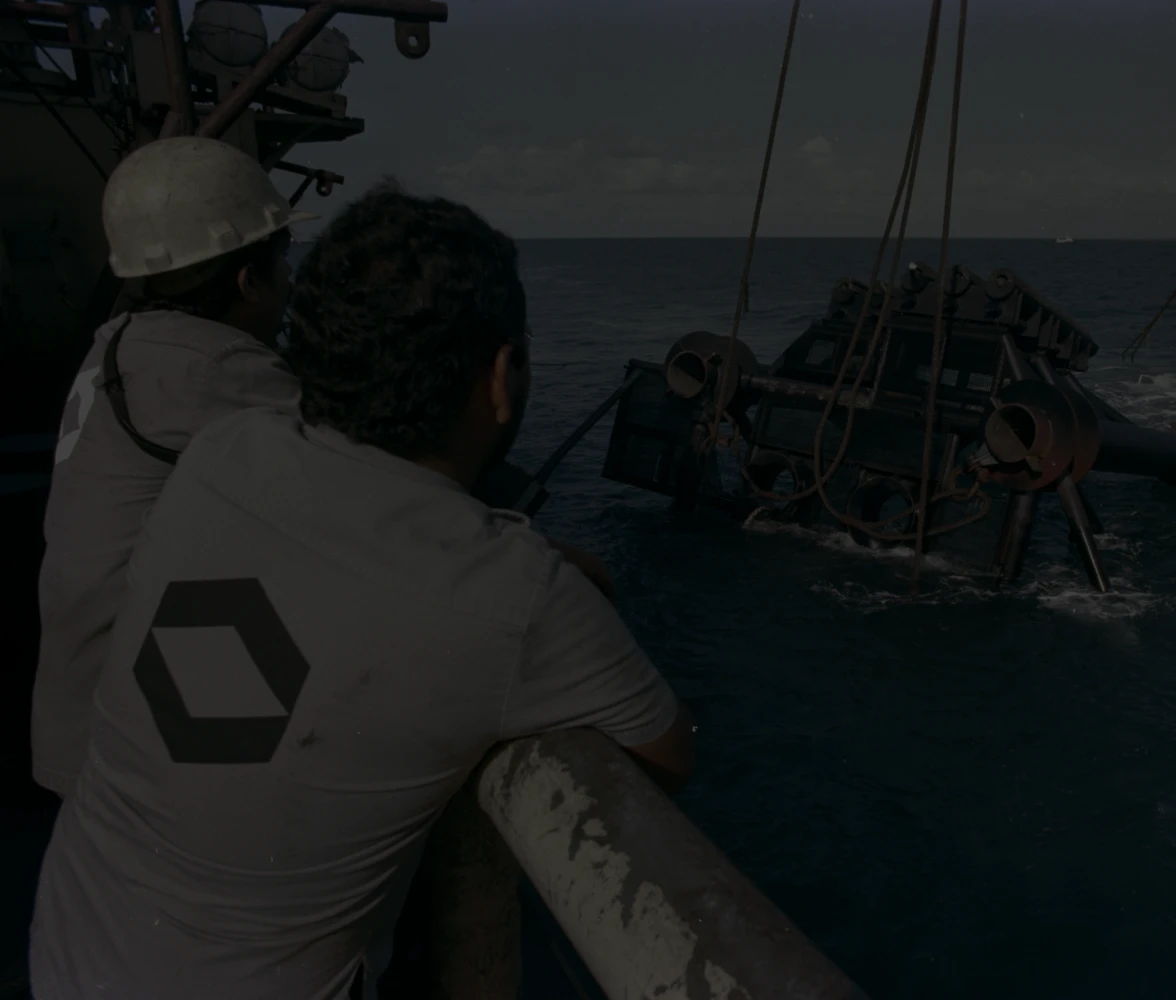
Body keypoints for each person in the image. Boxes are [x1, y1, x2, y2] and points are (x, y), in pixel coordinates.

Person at [28, 182, 694, 1000]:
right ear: (499, 377)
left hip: (65, 951)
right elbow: (666, 754)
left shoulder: (224, 450)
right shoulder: (518, 596)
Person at [32, 135, 311, 798]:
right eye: (283, 259)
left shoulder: (119, 343)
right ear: (248, 279)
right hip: (140, 740)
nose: (291, 279)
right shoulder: (218, 368)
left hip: (75, 714)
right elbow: (366, 486)